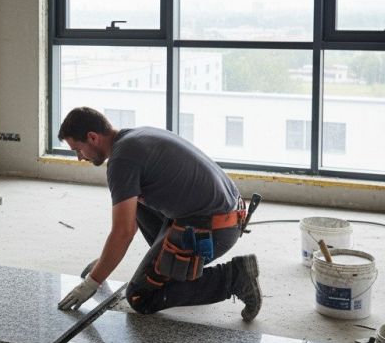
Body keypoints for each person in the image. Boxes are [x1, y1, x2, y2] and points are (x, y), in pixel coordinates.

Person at [56, 107, 262, 321]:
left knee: (140, 296)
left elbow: (122, 233)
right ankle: (171, 267)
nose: (79, 158)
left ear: (92, 137)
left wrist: (92, 283)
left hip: (212, 229)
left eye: (77, 149)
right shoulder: (135, 137)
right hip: (224, 215)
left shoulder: (122, 161)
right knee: (135, 202)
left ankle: (235, 277)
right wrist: (104, 263)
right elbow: (129, 218)